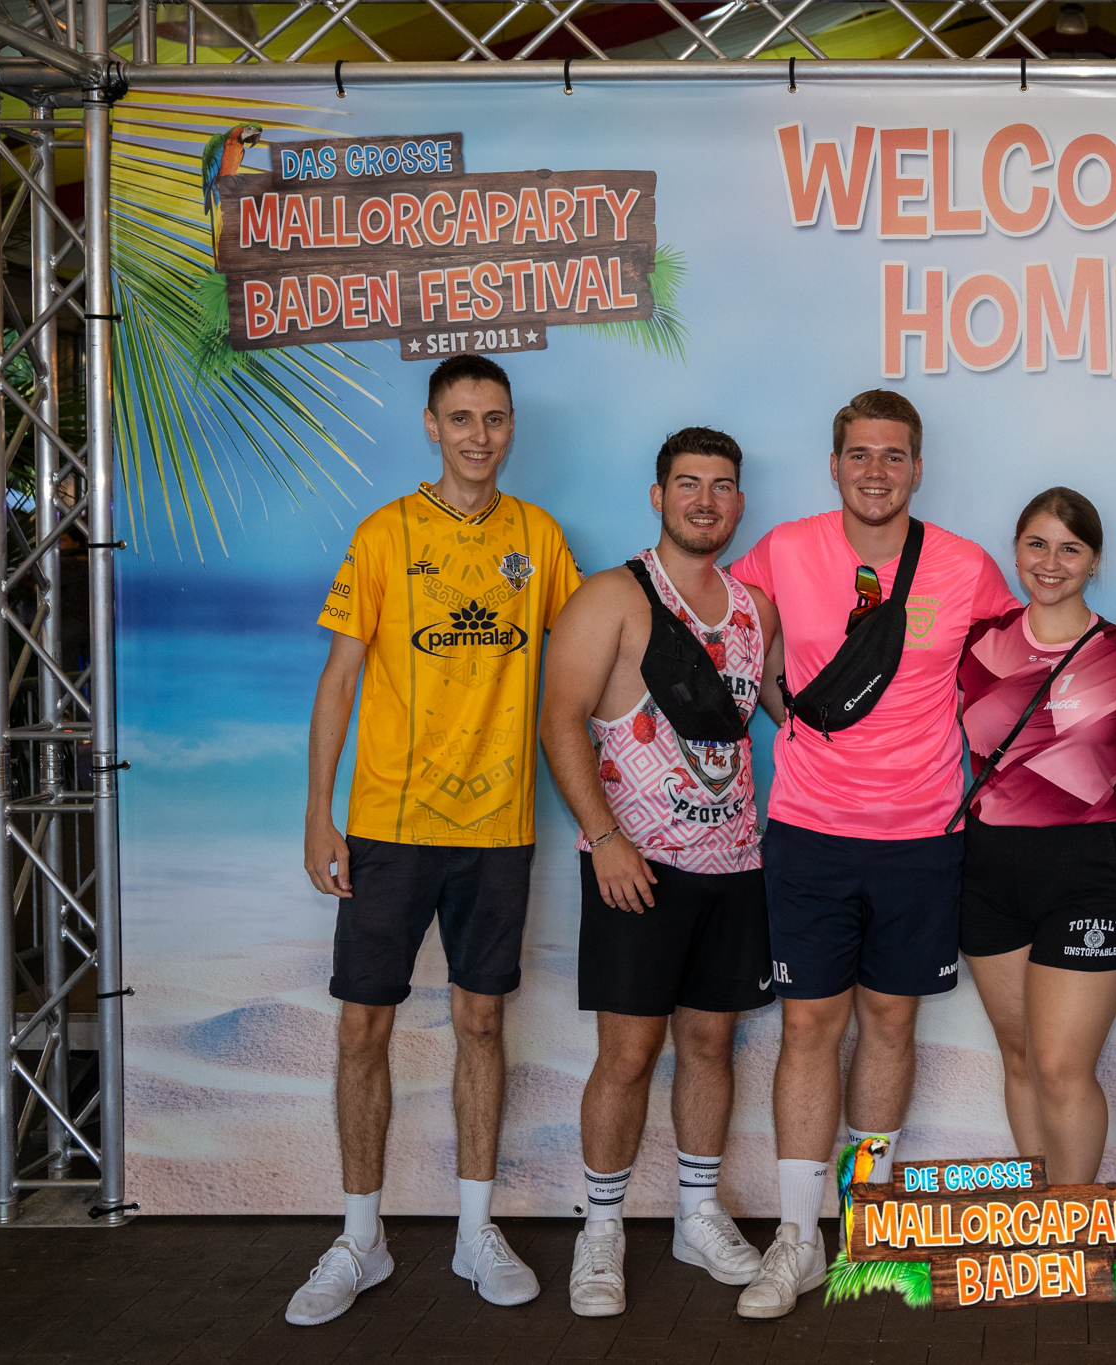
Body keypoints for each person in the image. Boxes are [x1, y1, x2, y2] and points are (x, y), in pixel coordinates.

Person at [291, 355, 581, 1326]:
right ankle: (359, 1239)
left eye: (494, 418)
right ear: (431, 425)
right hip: (388, 824)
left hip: (499, 828)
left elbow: (585, 662)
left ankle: (474, 1231)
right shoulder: (384, 535)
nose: (478, 436)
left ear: (511, 426)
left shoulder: (538, 538)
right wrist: (318, 812)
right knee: (362, 1028)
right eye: (460, 418)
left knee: (482, 1023)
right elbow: (339, 679)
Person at [727, 390, 1019, 1318]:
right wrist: (788, 713)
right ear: (834, 465)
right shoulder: (785, 549)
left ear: (918, 468)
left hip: (923, 837)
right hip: (810, 830)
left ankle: (866, 1221)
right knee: (809, 1027)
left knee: (891, 1024)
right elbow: (729, 633)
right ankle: (796, 1238)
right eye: (859, 454)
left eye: (894, 455)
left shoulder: (964, 565)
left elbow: (1017, 668)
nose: (876, 471)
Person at [537, 427, 783, 1317]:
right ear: (658, 495)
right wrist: (604, 836)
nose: (704, 500)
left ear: (739, 502)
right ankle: (601, 1228)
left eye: (721, 485)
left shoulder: (757, 608)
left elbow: (793, 715)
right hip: (636, 866)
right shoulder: (613, 595)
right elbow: (559, 718)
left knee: (712, 1045)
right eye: (688, 483)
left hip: (735, 864)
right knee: (630, 1054)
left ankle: (696, 1212)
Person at [958, 488, 1116, 1185]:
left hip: (1092, 866)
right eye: (1036, 544)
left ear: (1094, 560)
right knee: (1021, 1059)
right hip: (988, 865)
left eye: (1070, 548)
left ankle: (1071, 1223)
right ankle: (1041, 1213)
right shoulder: (977, 644)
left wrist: (1100, 815)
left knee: (1062, 1066)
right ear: (1015, 552)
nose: (1051, 562)